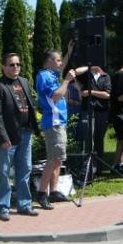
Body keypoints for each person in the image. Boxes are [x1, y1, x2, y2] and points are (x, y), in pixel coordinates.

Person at [0, 53, 40, 221]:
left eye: (18, 64)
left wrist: (33, 126)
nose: (16, 67)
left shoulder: (24, 81)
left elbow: (30, 105)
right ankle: (3, 207)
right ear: (3, 67)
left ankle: (24, 205)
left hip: (26, 133)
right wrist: (3, 137)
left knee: (25, 169)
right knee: (4, 172)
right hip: (8, 137)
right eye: (11, 64)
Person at [35, 45, 81, 209]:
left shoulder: (52, 74)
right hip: (53, 123)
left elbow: (62, 68)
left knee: (57, 159)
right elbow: (55, 96)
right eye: (58, 60)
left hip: (58, 122)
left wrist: (69, 52)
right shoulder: (44, 76)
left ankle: (53, 192)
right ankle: (42, 193)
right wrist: (67, 81)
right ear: (49, 61)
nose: (61, 63)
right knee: (54, 159)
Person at [80, 64, 112, 176]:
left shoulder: (105, 76)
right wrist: (87, 67)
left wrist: (91, 92)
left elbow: (107, 94)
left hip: (102, 111)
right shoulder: (85, 75)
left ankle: (99, 168)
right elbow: (76, 72)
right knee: (89, 139)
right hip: (88, 111)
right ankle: (88, 169)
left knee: (99, 139)